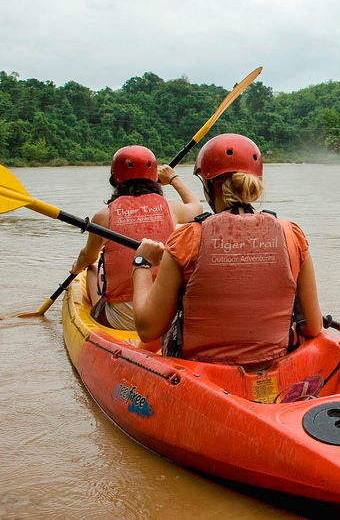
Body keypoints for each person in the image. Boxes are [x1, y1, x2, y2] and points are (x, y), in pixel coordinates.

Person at [131, 133, 323, 367]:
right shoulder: (292, 234)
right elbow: (312, 327)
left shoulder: (187, 238)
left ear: (210, 186)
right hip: (273, 369)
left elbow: (147, 330)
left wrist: (142, 263)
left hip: (202, 374)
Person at [70, 145, 201, 330]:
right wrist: (173, 178)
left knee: (91, 268)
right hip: (165, 314)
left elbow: (88, 256)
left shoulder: (103, 216)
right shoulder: (170, 208)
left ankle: (97, 314)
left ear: (115, 178)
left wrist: (77, 268)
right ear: (154, 178)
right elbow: (197, 207)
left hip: (123, 320)